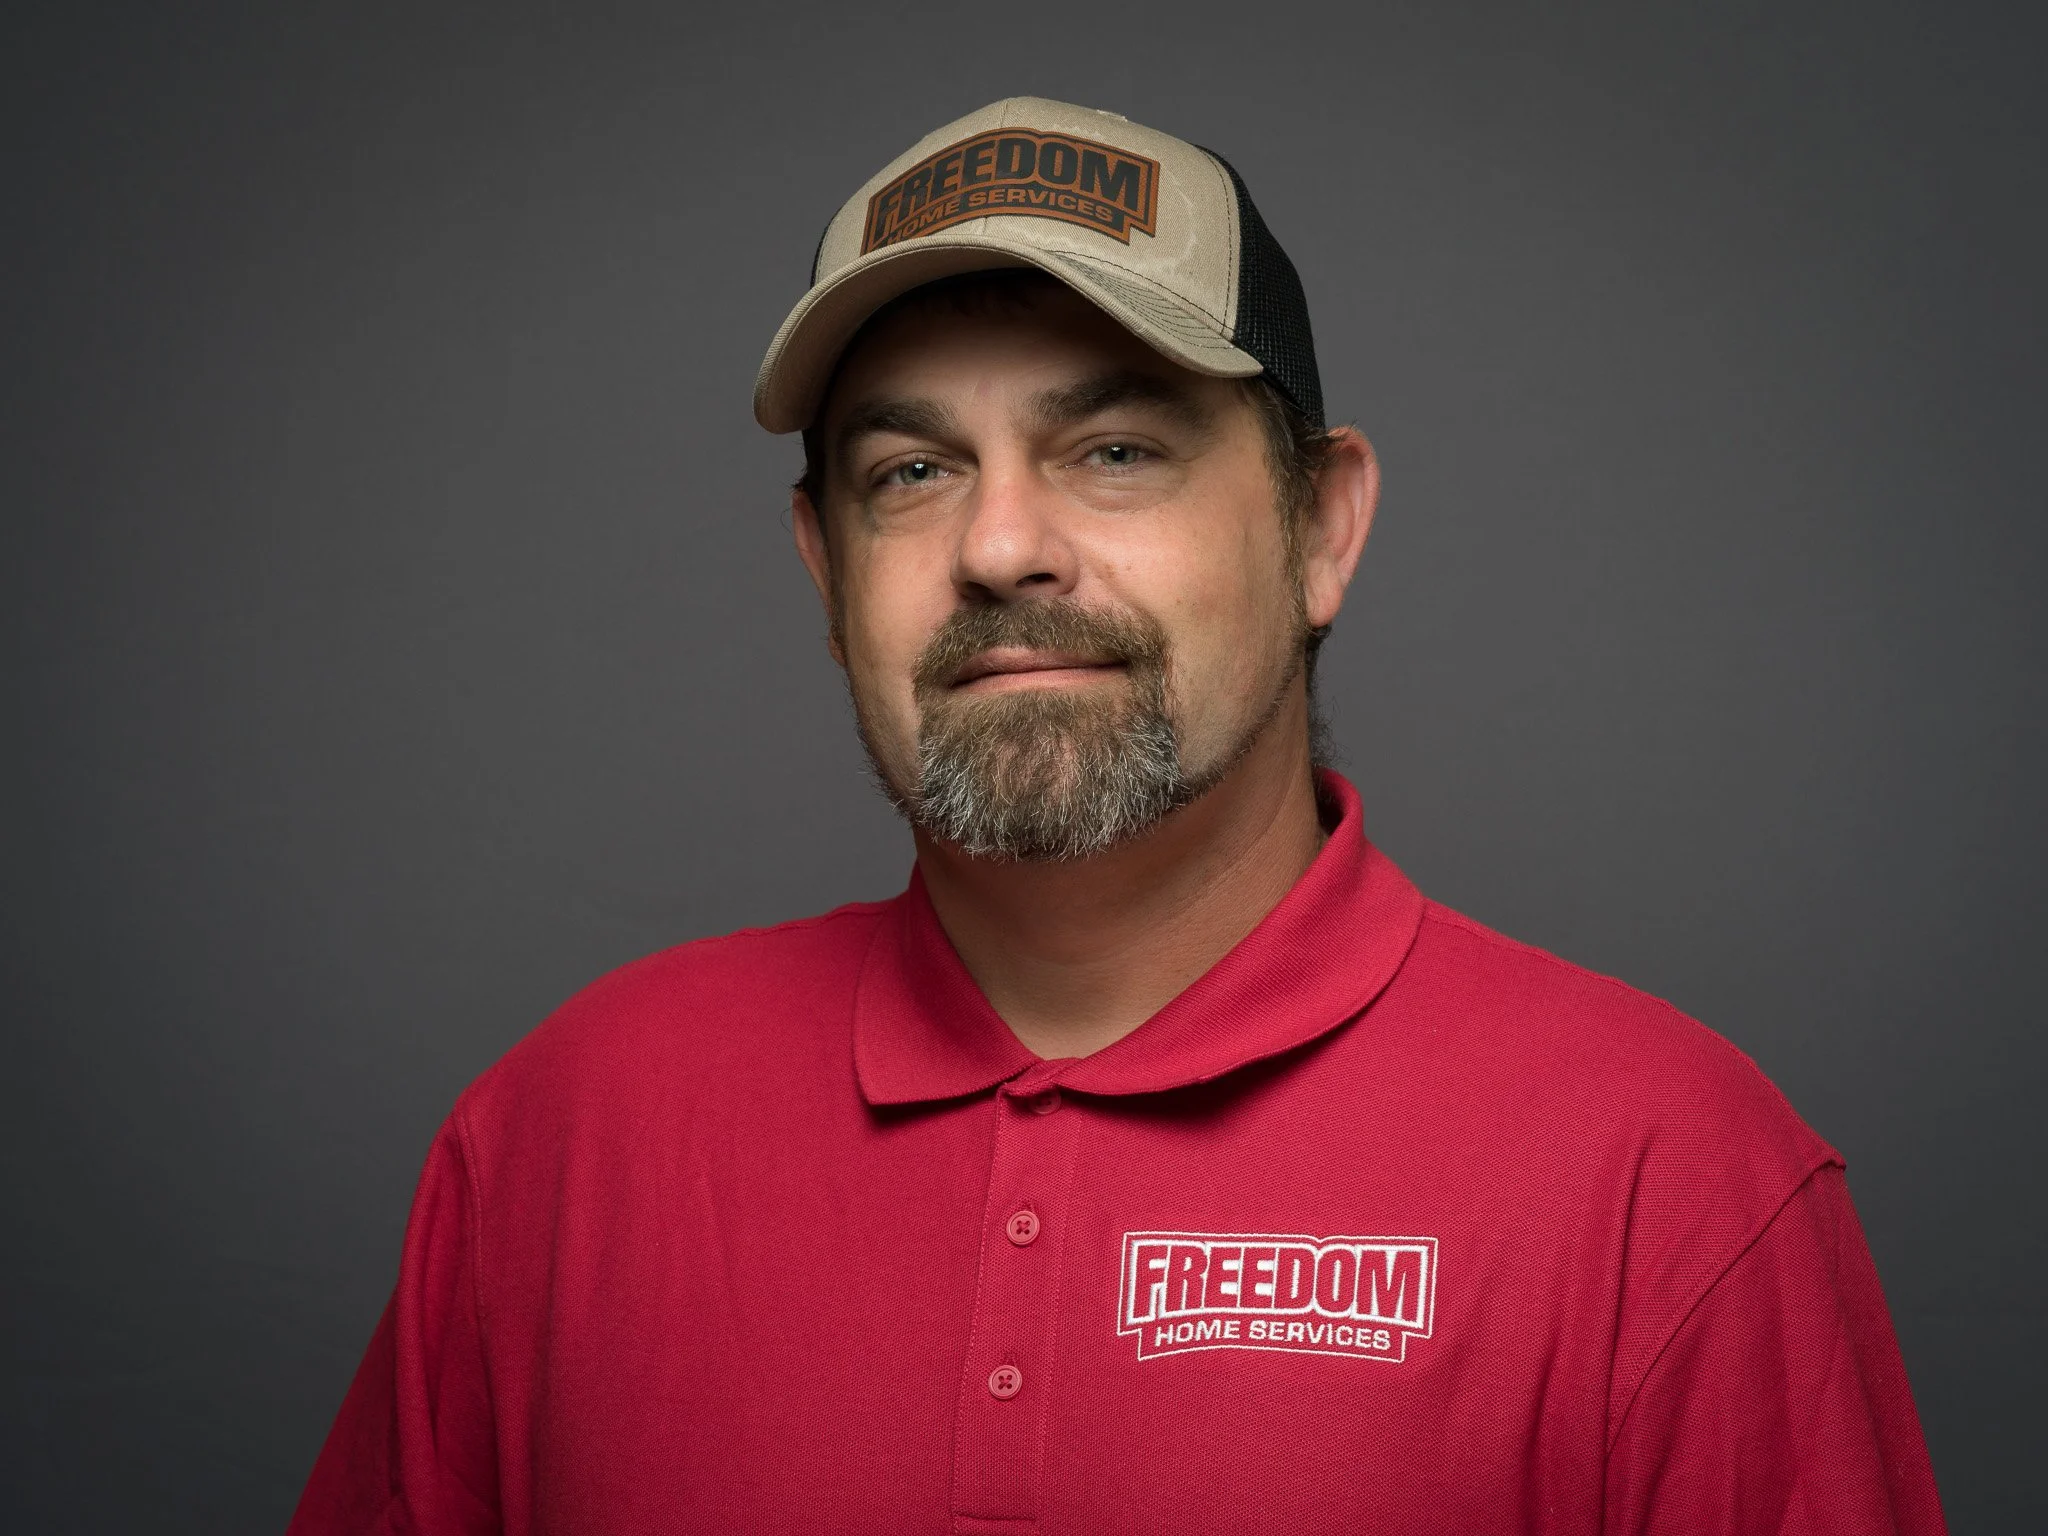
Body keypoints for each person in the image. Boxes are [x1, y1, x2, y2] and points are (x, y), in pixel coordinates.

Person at [290, 97, 1945, 1534]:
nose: (1003, 547)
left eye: (1119, 448)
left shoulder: (1670, 1178)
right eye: (911, 472)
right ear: (823, 567)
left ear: (1323, 529)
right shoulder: (561, 1139)